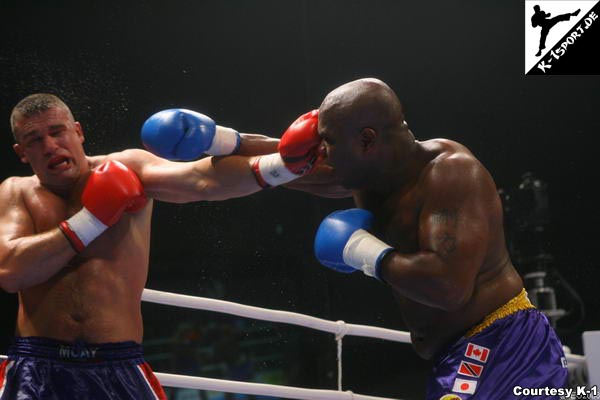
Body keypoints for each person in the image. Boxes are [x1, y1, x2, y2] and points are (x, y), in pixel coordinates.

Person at [0, 94, 343, 399]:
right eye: (34, 139)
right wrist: (93, 218)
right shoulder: (15, 192)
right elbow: (11, 271)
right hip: (35, 366)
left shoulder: (127, 167)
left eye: (57, 132)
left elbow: (202, 180)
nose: (49, 145)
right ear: (22, 152)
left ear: (78, 132)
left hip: (118, 364)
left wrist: (281, 166)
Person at [312, 78, 568, 399]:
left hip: (502, 344)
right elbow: (286, 164)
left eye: (328, 141)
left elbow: (448, 287)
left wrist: (360, 250)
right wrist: (246, 150)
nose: (321, 153)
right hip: (459, 356)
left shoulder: (450, 174)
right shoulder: (367, 173)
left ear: (366, 140)